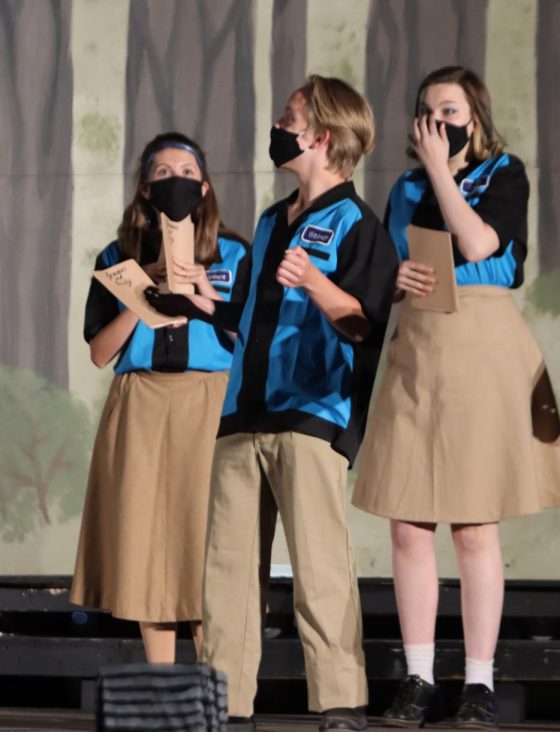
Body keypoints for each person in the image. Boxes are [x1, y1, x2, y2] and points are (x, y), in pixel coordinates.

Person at [146, 75, 398, 732]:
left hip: (311, 414)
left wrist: (315, 281)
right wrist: (200, 302)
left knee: (320, 568)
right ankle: (225, 707)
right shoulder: (269, 218)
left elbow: (363, 321)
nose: (278, 128)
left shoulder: (357, 223)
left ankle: (339, 705)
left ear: (322, 136)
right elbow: (250, 313)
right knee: (226, 572)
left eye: (289, 118)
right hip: (242, 415)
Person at [351, 66, 560, 729]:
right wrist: (395, 280)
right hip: (418, 346)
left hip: (481, 342)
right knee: (408, 520)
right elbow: (392, 265)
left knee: (476, 523)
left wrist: (444, 169)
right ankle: (418, 677)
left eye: (449, 110)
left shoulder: (504, 174)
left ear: (474, 118)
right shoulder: (405, 188)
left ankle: (478, 681)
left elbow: (481, 243)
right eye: (426, 110)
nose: (435, 120)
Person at [70, 132, 251, 664]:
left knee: (204, 535)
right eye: (164, 173)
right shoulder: (117, 256)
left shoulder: (234, 252)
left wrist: (203, 294)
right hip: (141, 403)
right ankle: (162, 680)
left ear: (205, 185)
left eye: (187, 172)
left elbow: (252, 338)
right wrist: (141, 292)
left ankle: (218, 684)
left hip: (209, 401)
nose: (177, 181)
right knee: (146, 537)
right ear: (145, 188)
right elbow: (100, 352)